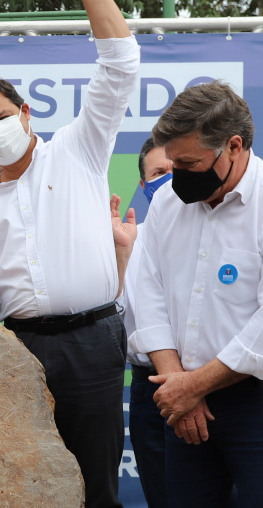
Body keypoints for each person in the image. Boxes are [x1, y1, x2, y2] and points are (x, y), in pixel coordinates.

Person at [0, 0, 140, 505]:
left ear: (26, 113)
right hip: (21, 345)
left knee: (98, 486)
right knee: (29, 484)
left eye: (3, 117)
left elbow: (121, 65)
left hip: (93, 340)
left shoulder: (80, 149)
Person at [128, 82, 263, 506]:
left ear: (234, 147)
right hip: (180, 401)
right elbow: (147, 292)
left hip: (254, 403)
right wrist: (178, 385)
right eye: (172, 163)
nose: (177, 176)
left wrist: (193, 385)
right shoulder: (168, 202)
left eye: (189, 164)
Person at [114, 136, 172, 508]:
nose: (169, 179)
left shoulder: (224, 229)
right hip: (151, 388)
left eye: (177, 169)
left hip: (220, 382)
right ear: (143, 184)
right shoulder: (131, 240)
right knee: (164, 494)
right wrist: (120, 258)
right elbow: (115, 322)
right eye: (158, 173)